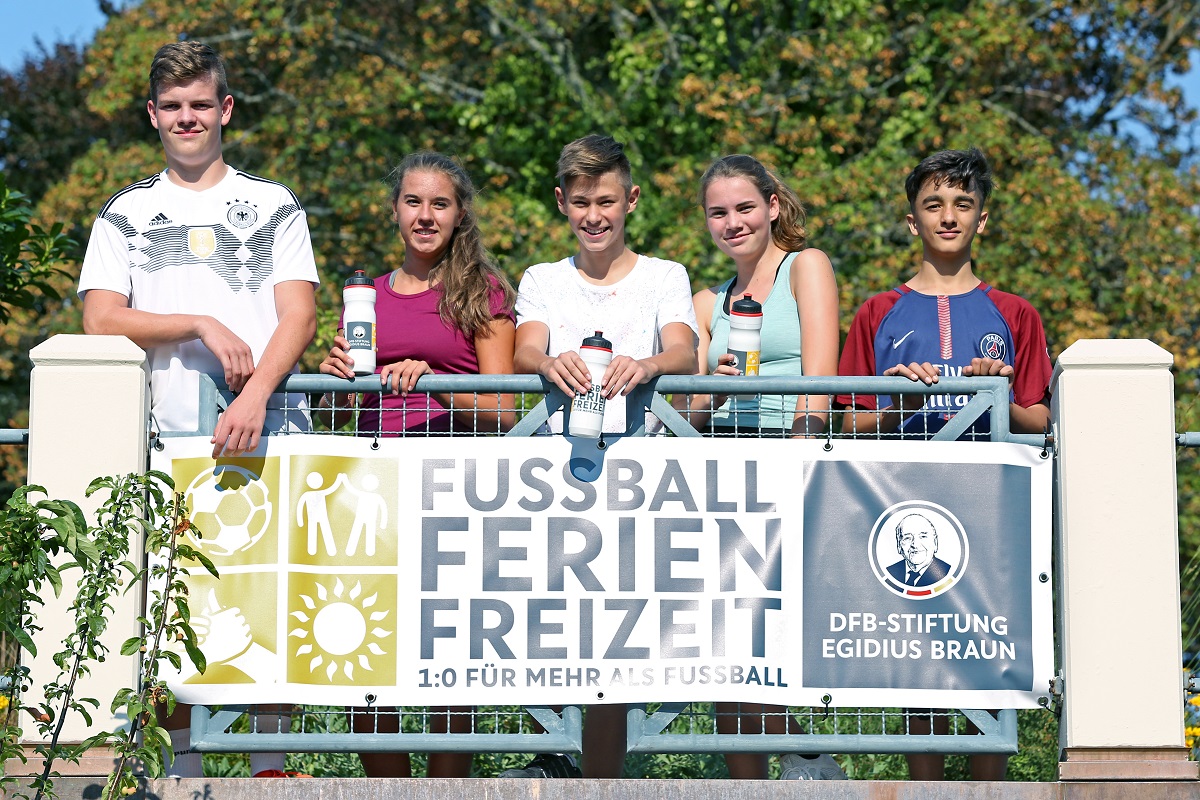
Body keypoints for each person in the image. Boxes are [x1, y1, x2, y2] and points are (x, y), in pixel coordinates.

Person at [77, 41, 317, 778]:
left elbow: (299, 315)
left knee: (273, 598)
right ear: (152, 115)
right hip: (166, 442)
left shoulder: (274, 203)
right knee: (170, 607)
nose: (188, 118)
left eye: (201, 105)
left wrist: (255, 394)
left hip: (268, 431)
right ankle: (178, 773)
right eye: (173, 106)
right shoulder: (126, 213)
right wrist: (197, 323)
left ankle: (272, 769)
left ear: (226, 110)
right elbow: (100, 320)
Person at [837, 147, 1053, 781]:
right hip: (903, 504)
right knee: (919, 657)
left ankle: (991, 790)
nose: (949, 216)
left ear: (982, 219)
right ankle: (925, 787)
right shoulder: (877, 312)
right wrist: (899, 406)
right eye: (934, 205)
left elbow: (1041, 420)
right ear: (913, 221)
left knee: (989, 651)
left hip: (992, 507)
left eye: (963, 204)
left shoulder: (1016, 313)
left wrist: (996, 395)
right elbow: (846, 422)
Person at [319, 151, 516, 777]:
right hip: (370, 491)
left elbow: (505, 409)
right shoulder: (365, 295)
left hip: (451, 488)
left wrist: (434, 381)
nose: (425, 216)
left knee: (446, 650)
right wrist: (333, 380)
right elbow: (339, 413)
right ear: (395, 210)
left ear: (459, 215)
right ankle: (388, 788)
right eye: (413, 201)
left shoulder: (482, 292)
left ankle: (446, 789)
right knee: (362, 640)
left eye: (440, 203)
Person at [508, 134, 698, 778]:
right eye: (582, 202)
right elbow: (523, 349)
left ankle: (603, 778)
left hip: (639, 475)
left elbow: (684, 351)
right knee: (544, 621)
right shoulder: (542, 278)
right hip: (553, 475)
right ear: (561, 202)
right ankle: (553, 759)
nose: (595, 216)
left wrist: (647, 364)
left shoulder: (665, 275)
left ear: (631, 200)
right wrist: (547, 360)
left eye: (607, 201)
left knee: (617, 632)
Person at [675, 154, 844, 780]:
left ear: (772, 206)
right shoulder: (705, 301)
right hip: (722, 475)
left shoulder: (807, 266)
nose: (733, 223)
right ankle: (749, 783)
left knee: (773, 631)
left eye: (745, 207)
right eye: (718, 213)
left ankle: (805, 755)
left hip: (790, 462)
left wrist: (799, 466)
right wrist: (710, 391)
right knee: (726, 640)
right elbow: (688, 415)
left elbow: (819, 383)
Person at [886, 513, 952, 587]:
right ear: (899, 545)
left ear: (935, 542)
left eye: (923, 536)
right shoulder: (889, 573)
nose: (915, 545)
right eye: (907, 538)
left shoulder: (947, 573)